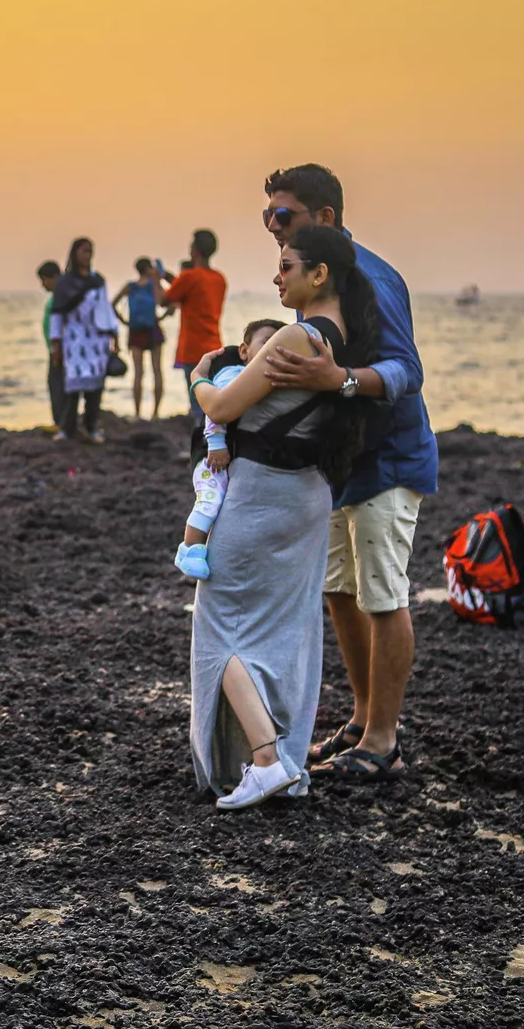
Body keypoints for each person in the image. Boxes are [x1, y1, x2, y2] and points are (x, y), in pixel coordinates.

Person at [186, 226, 378, 809]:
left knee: (219, 627)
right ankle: (273, 757)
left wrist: (199, 372)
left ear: (319, 275)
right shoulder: (348, 337)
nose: (277, 275)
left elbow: (222, 406)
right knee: (279, 632)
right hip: (307, 496)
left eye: (287, 265)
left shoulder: (297, 336)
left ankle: (266, 759)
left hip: (261, 499)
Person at [257, 163, 436, 782]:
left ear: (326, 217)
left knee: (384, 595)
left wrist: (341, 381)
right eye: (268, 218)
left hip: (390, 458)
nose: (275, 231)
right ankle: (361, 720)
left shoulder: (372, 279)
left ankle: (385, 739)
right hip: (341, 463)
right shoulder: (308, 275)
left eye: (286, 217)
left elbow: (407, 371)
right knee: (338, 590)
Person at [175, 319, 283, 580]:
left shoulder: (260, 378)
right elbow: (215, 411)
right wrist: (216, 445)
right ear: (244, 351)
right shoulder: (232, 374)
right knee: (210, 500)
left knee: (222, 503)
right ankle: (189, 550)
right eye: (265, 342)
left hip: (223, 452)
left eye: (278, 345)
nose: (271, 349)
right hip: (211, 453)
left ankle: (202, 545)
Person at [48, 238, 118, 444]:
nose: (87, 255)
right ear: (75, 253)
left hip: (97, 341)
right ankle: (67, 429)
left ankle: (91, 428)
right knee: (72, 388)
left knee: (95, 389)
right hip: (74, 341)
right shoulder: (66, 283)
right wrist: (56, 344)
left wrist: (114, 336)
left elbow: (106, 310)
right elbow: (57, 314)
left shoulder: (98, 281)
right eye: (83, 251)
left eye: (90, 251)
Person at [160, 230, 227, 431]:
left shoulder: (189, 277)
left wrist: (156, 279)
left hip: (193, 348)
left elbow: (163, 300)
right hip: (214, 345)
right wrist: (171, 278)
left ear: (194, 250)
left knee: (197, 405)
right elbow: (194, 293)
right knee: (211, 402)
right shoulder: (219, 278)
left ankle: (202, 450)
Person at [112, 258, 169, 420]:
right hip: (153, 329)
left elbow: (113, 304)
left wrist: (124, 320)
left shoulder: (130, 287)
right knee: (157, 370)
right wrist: (162, 316)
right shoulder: (154, 286)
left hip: (135, 330)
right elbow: (166, 302)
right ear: (147, 269)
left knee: (138, 372)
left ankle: (137, 413)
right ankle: (156, 413)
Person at [37, 260, 68, 438]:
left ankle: (60, 423)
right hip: (55, 348)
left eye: (44, 281)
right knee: (57, 385)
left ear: (54, 277)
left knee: (58, 385)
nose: (43, 285)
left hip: (59, 349)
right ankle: (60, 422)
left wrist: (57, 348)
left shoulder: (61, 297)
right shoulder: (58, 296)